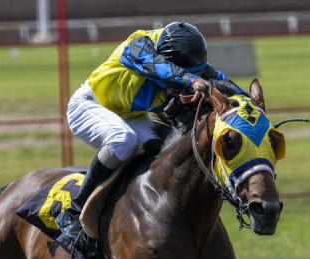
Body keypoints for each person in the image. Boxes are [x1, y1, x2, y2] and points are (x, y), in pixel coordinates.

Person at [56, 21, 239, 241]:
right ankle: (74, 211)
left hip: (130, 116)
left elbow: (224, 84)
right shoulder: (138, 45)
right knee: (124, 140)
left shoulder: (182, 54)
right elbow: (161, 67)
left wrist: (247, 102)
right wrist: (191, 80)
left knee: (170, 146)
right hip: (89, 105)